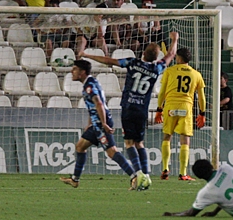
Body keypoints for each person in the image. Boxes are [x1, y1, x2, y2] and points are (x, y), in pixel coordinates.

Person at [79, 32, 180, 190]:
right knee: (140, 143)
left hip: (128, 108)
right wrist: (175, 39)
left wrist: (88, 55)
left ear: (143, 53)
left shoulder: (132, 63)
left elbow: (109, 61)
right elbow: (171, 54)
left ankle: (139, 174)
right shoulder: (157, 68)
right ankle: (146, 175)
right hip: (142, 110)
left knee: (128, 143)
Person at [60, 60, 149, 190]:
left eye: (75, 69)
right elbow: (94, 105)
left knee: (112, 152)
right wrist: (90, 124)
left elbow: (99, 104)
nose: (71, 71)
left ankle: (134, 176)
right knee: (80, 147)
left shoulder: (89, 86)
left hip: (101, 123)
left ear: (82, 72)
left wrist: (104, 123)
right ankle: (75, 180)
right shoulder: (91, 82)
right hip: (96, 123)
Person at [155, 48, 206, 181]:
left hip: (170, 106)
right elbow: (201, 97)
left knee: (167, 136)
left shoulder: (169, 71)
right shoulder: (196, 74)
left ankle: (165, 169)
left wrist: (159, 109)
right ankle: (182, 173)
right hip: (186, 108)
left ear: (178, 58)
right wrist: (202, 113)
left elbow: (162, 93)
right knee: (185, 139)